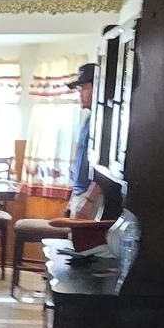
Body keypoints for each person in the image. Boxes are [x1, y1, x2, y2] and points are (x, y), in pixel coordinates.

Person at [65, 62, 101, 217]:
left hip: (90, 197)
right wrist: (72, 199)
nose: (80, 93)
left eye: (84, 88)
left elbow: (102, 169)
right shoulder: (89, 119)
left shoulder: (103, 121)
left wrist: (90, 200)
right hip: (80, 194)